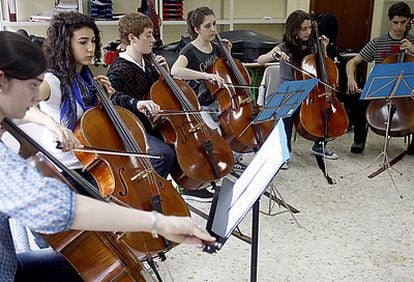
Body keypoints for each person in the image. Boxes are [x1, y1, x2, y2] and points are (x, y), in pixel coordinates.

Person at [0, 30, 215, 281]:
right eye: (32, 85)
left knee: (95, 261)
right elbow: (59, 208)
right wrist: (160, 222)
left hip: (10, 263)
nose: (36, 96)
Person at [257, 10, 338, 166]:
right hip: (289, 90)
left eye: (309, 28)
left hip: (309, 90)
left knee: (324, 110)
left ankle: (319, 145)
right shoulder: (283, 47)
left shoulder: (313, 46)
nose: (308, 32)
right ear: (294, 30)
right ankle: (284, 152)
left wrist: (324, 49)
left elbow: (325, 68)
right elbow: (261, 60)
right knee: (286, 116)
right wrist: (275, 55)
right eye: (304, 29)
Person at [106, 12, 176, 179]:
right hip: (132, 127)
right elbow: (111, 97)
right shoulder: (119, 68)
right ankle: (149, 192)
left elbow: (162, 94)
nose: (153, 40)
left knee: (180, 148)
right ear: (132, 38)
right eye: (148, 35)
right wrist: (136, 103)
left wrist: (164, 74)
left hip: (151, 124)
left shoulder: (148, 65)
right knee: (163, 155)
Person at [346, 1, 414, 154]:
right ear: (389, 20)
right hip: (382, 88)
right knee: (358, 103)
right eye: (395, 22)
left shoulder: (412, 41)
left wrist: (411, 48)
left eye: (403, 22)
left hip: (407, 90)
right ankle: (359, 139)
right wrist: (351, 78)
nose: (399, 27)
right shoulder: (378, 42)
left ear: (408, 21)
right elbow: (353, 62)